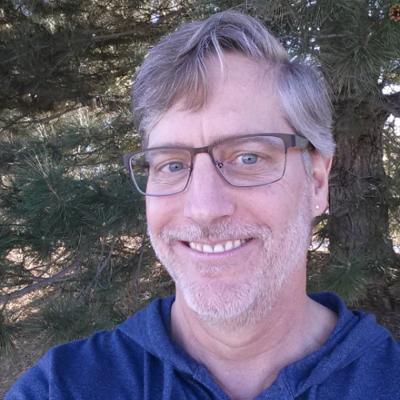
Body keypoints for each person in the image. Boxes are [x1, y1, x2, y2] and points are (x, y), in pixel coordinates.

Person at [6, 10, 400, 400]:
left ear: (316, 181)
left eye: (248, 157)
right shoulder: (62, 388)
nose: (204, 208)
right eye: (172, 165)